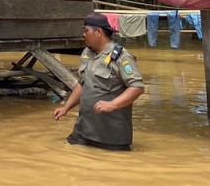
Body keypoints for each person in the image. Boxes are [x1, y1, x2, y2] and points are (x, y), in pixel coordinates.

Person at [52, 12, 145, 151]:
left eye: (86, 30)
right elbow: (82, 84)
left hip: (111, 136)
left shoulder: (121, 57)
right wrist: (66, 108)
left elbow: (137, 87)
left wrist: (112, 104)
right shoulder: (87, 53)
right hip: (83, 131)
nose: (83, 34)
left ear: (98, 32)